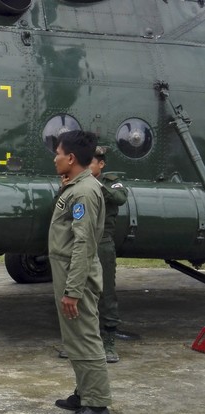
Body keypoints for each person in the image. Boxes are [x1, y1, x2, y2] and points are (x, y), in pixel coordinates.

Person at [51, 130, 112, 414]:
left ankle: (97, 405)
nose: (55, 159)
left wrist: (73, 290)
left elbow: (83, 243)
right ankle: (84, 392)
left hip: (76, 275)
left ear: (71, 158)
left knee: (85, 337)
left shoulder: (85, 192)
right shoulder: (76, 186)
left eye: (58, 154)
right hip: (68, 271)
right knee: (74, 337)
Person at [89, 146, 130, 362]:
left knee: (106, 291)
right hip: (81, 241)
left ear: (101, 164)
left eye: (91, 163)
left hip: (103, 242)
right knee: (78, 289)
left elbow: (120, 198)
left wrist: (94, 184)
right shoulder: (76, 181)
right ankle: (79, 340)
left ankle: (109, 341)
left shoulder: (111, 182)